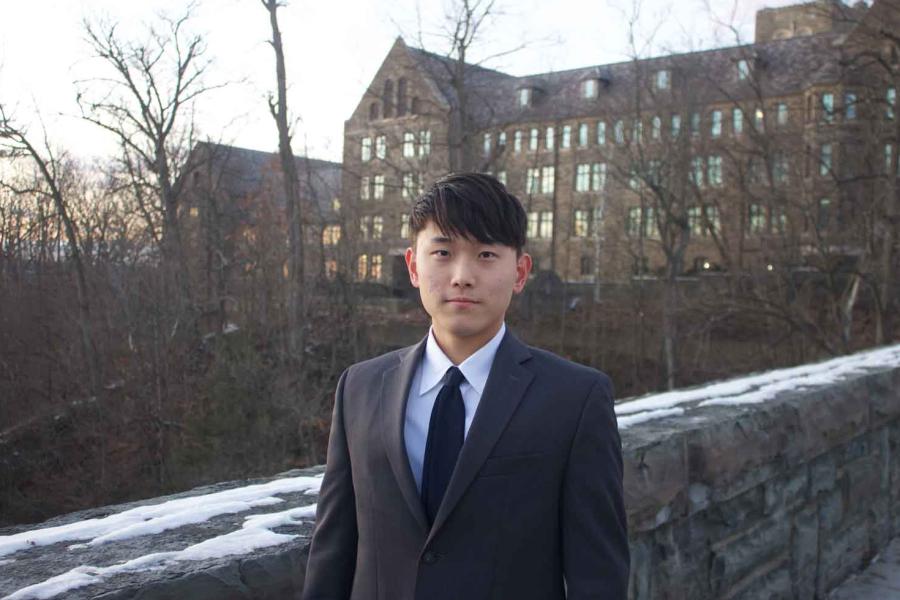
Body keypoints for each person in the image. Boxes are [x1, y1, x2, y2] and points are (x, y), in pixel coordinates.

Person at [301, 172, 629, 600]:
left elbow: (598, 576)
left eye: (486, 254)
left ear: (521, 272)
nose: (462, 276)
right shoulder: (360, 388)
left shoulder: (575, 399)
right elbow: (333, 554)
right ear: (414, 266)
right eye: (442, 252)